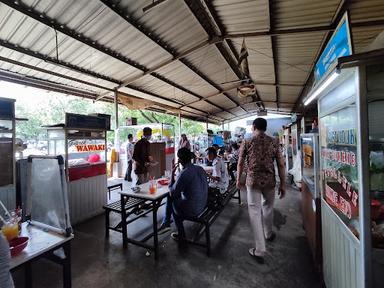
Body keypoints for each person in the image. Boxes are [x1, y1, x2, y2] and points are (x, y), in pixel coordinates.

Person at [237, 117, 286, 264]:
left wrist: (238, 179)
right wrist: (282, 184)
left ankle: (259, 249)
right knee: (268, 208)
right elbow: (281, 165)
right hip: (270, 181)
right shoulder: (274, 141)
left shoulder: (247, 141)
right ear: (265, 128)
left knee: (255, 212)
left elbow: (240, 163)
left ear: (253, 127)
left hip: (252, 181)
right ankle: (268, 233)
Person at [160, 148, 208, 241]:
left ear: (180, 160)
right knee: (176, 197)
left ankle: (178, 231)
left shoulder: (184, 173)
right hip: (203, 204)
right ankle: (166, 221)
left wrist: (172, 173)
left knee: (171, 199)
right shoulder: (200, 168)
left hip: (194, 209)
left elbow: (172, 193)